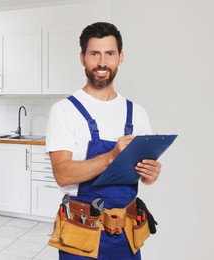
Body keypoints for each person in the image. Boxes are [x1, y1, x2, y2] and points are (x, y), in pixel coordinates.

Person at [46, 22, 162, 259]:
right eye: (94, 54)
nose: (101, 62)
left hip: (127, 234)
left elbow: (142, 174)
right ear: (82, 58)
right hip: (81, 233)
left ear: (120, 57)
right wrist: (111, 156)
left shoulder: (137, 113)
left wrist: (150, 173)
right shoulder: (64, 111)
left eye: (109, 53)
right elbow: (62, 174)